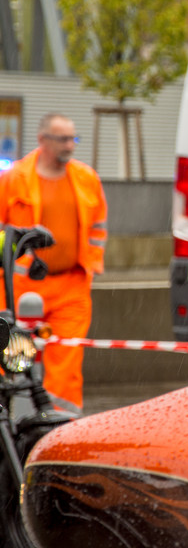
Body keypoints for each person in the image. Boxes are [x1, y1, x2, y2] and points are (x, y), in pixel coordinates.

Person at [0, 113, 108, 412]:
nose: (69, 145)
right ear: (42, 140)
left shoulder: (86, 178)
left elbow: (98, 226)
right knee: (11, 356)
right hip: (19, 287)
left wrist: (92, 264)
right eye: (62, 139)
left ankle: (61, 425)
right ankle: (9, 422)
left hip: (72, 286)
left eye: (73, 139)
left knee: (67, 362)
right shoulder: (14, 179)